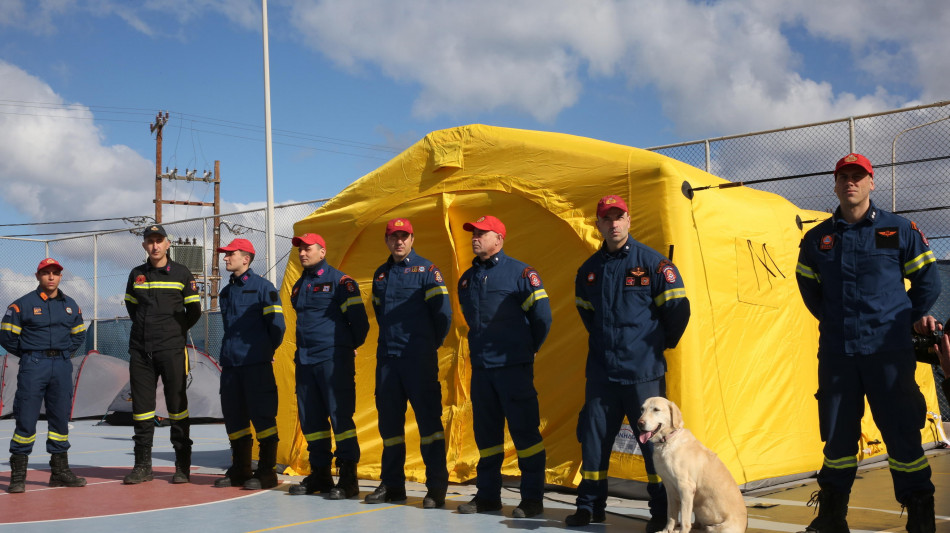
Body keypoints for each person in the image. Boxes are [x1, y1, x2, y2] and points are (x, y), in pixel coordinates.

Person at [796, 153, 940, 533]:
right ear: (836, 184)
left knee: (902, 433)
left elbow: (928, 280)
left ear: (872, 183)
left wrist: (906, 322)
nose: (851, 183)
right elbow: (809, 288)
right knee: (837, 437)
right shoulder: (817, 239)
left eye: (858, 176)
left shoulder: (899, 230)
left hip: (889, 354)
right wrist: (833, 321)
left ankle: (921, 513)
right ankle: (831, 516)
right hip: (838, 355)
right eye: (844, 176)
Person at [567, 195, 690, 530]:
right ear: (599, 225)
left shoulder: (652, 264)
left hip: (643, 374)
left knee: (653, 445)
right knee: (594, 441)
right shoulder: (589, 271)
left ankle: (661, 512)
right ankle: (590, 507)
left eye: (618, 217)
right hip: (603, 374)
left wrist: (658, 345)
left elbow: (679, 309)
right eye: (606, 219)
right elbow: (587, 313)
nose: (614, 224)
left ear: (629, 220)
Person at [456, 215, 552, 518]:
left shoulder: (521, 274)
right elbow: (472, 319)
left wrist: (527, 349)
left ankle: (532, 499)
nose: (475, 237)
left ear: (499, 239)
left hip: (514, 368)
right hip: (483, 370)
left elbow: (543, 318)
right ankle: (487, 496)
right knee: (487, 438)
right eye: (474, 233)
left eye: (482, 233)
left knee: (525, 435)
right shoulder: (466, 279)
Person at [364, 218, 452, 508]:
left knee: (430, 426)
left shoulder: (428, 271)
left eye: (404, 237)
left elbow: (443, 315)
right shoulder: (380, 275)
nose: (398, 242)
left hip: (418, 361)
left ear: (412, 239)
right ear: (387, 240)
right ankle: (392, 486)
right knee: (389, 428)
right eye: (393, 237)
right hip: (388, 361)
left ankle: (436, 489)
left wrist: (428, 344)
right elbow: (379, 311)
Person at [288, 233, 369, 499]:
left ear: (322, 252)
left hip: (333, 363)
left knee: (340, 419)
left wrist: (343, 349)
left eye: (307, 249)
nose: (302, 253)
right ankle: (320, 475)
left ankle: (347, 479)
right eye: (299, 249)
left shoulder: (341, 282)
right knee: (312, 421)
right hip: (305, 363)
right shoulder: (299, 286)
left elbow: (360, 324)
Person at [123, 224, 202, 484]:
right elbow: (132, 308)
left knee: (177, 408)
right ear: (144, 245)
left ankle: (182, 466)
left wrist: (173, 332)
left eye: (159, 240)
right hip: (141, 351)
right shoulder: (137, 274)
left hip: (171, 350)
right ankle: (142, 466)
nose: (154, 246)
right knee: (142, 411)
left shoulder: (181, 273)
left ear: (168, 244)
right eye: (150, 241)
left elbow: (193, 311)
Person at [2, 258, 87, 493]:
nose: (51, 277)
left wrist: (63, 354)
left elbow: (79, 335)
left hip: (61, 365)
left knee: (60, 420)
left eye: (55, 273)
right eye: (46, 273)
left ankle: (59, 472)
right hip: (33, 365)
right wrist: (29, 354)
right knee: (26, 419)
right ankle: (18, 476)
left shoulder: (71, 305)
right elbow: (7, 337)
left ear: (60, 276)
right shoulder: (21, 305)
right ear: (37, 276)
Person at [213, 238, 285, 490]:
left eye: (230, 254)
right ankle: (240, 469)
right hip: (231, 367)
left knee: (263, 418)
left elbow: (277, 327)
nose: (225, 258)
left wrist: (264, 350)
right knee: (235, 419)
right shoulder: (226, 292)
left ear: (246, 258)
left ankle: (266, 472)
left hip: (256, 365)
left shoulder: (264, 288)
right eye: (225, 255)